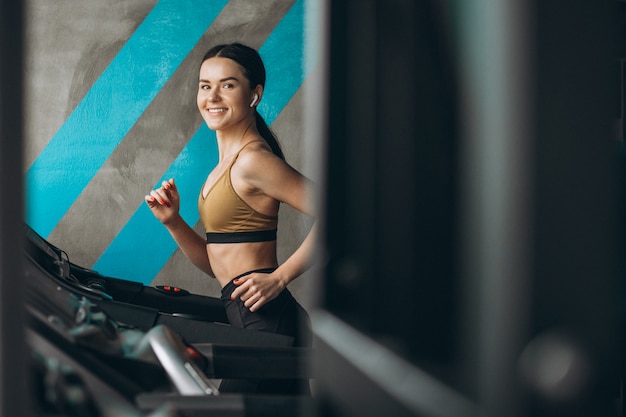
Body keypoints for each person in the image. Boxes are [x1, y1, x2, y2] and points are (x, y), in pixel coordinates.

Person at [145, 43, 315, 394]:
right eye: (205, 86)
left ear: (255, 94)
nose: (213, 96)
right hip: (251, 320)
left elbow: (339, 217)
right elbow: (220, 266)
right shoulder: (224, 168)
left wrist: (280, 277)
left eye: (228, 84)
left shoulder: (254, 161)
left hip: (269, 323)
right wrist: (174, 222)